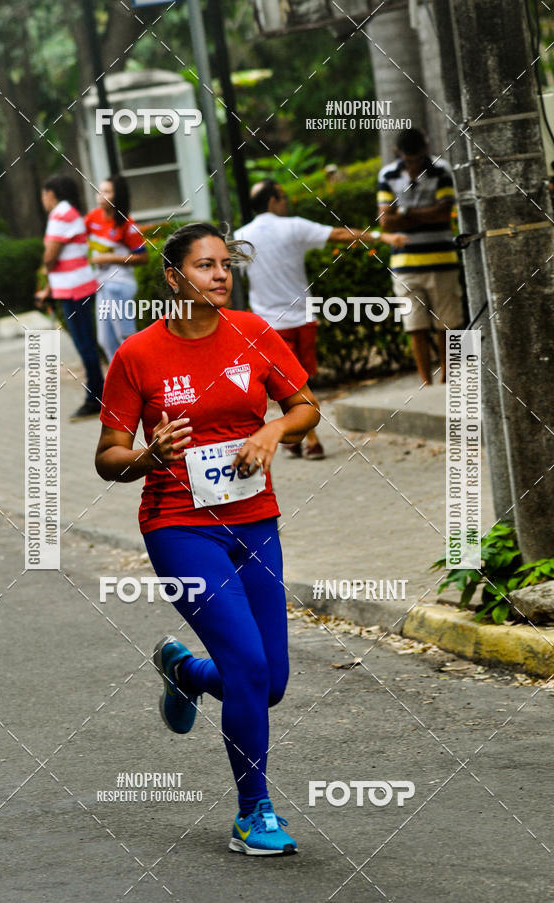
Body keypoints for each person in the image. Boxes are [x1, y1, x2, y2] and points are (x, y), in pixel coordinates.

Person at [95, 222, 322, 856]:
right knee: (247, 667)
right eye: (205, 266)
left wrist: (273, 431)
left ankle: (187, 672)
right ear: (174, 278)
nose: (220, 275)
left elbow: (306, 406)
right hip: (178, 526)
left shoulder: (254, 333)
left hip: (255, 522)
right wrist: (147, 456)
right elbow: (108, 456)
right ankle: (253, 814)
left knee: (269, 684)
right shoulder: (138, 354)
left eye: (225, 264)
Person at [234, 179, 407, 460]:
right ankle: (310, 440)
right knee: (300, 381)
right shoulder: (293, 226)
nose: (286, 202)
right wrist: (382, 237)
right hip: (303, 317)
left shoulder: (242, 237)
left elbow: (225, 275)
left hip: (268, 323)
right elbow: (339, 234)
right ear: (273, 200)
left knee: (287, 384)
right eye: (283, 196)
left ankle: (298, 438)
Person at [377, 127, 463, 384]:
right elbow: (385, 222)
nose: (413, 165)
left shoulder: (441, 169)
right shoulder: (388, 174)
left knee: (447, 323)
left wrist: (403, 213)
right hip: (405, 265)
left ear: (425, 150)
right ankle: (425, 382)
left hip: (441, 260)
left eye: (417, 159)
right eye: (409, 160)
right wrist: (426, 213)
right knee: (415, 325)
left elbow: (444, 213)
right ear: (399, 153)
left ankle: (447, 379)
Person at [36, 175, 104, 421]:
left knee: (85, 344)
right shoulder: (70, 212)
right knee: (87, 342)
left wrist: (46, 265)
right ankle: (99, 393)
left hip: (75, 291)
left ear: (50, 194)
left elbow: (50, 256)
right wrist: (48, 289)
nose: (43, 200)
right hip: (76, 287)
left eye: (44, 195)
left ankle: (96, 398)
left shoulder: (60, 214)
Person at [84, 175, 147, 361]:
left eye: (107, 191)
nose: (100, 195)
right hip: (102, 285)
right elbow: (77, 239)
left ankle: (139, 375)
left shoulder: (128, 224)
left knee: (125, 338)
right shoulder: (92, 217)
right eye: (99, 190)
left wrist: (111, 258)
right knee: (105, 341)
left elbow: (143, 258)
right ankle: (119, 377)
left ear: (117, 196)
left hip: (120, 285)